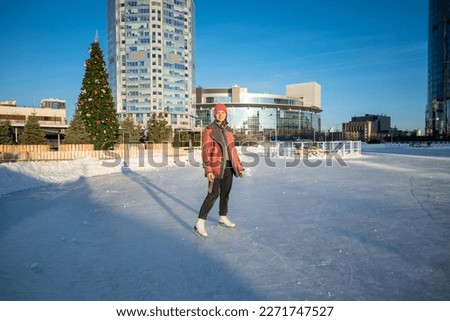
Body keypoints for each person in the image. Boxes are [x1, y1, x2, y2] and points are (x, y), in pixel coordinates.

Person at [194, 103, 244, 238]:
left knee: (225, 193)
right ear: (214, 114)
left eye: (222, 112)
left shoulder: (228, 130)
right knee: (213, 194)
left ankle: (222, 216)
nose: (220, 114)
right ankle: (200, 222)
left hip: (229, 167)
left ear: (226, 114)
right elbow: (206, 151)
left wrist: (239, 166)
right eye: (218, 112)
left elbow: (233, 151)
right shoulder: (209, 130)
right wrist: (208, 169)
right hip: (216, 167)